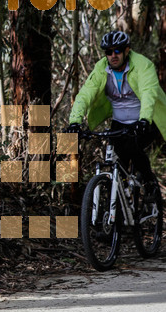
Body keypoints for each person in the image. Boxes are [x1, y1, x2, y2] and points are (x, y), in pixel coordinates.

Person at [67, 31, 166, 192]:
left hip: (146, 120)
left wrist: (144, 120)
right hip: (119, 122)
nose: (113, 55)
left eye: (118, 51)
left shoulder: (143, 65)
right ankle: (121, 200)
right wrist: (75, 122)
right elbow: (85, 94)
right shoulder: (102, 68)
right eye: (109, 52)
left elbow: (149, 93)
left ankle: (150, 183)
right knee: (119, 162)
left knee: (133, 147)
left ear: (127, 50)